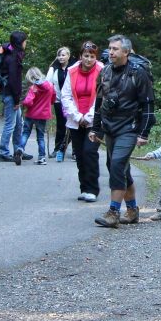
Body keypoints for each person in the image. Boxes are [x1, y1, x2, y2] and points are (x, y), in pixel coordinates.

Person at [91, 35, 156, 228]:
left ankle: (113, 213)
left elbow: (148, 105)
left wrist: (144, 133)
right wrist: (95, 128)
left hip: (129, 127)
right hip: (110, 127)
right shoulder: (105, 71)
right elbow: (99, 102)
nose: (110, 52)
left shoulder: (138, 73)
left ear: (126, 52)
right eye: (110, 48)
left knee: (117, 164)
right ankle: (132, 210)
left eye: (115, 49)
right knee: (118, 168)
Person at [62, 41, 103, 202]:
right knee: (79, 154)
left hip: (95, 120)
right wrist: (78, 116)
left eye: (92, 57)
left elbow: (102, 96)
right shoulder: (71, 71)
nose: (89, 60)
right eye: (86, 56)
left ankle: (93, 189)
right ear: (80, 56)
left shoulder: (102, 70)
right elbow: (66, 96)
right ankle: (84, 188)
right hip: (75, 120)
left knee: (89, 152)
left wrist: (89, 117)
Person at [0, 30, 28, 163]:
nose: (26, 43)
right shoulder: (14, 58)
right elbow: (14, 81)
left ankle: (18, 150)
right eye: (25, 41)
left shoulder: (9, 53)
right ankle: (4, 152)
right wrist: (16, 100)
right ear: (20, 42)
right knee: (10, 124)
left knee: (19, 124)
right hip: (10, 94)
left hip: (8, 92)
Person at [17, 67, 54, 165]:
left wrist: (25, 104)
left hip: (31, 114)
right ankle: (42, 157)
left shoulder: (33, 88)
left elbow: (28, 102)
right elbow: (53, 97)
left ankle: (20, 149)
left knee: (25, 133)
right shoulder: (50, 85)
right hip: (43, 115)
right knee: (40, 136)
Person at [45, 47, 72, 162]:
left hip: (71, 102)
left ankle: (73, 150)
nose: (61, 57)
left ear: (68, 56)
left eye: (63, 55)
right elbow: (47, 83)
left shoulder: (72, 68)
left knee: (73, 126)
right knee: (61, 125)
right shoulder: (54, 69)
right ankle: (57, 148)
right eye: (59, 55)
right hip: (58, 101)